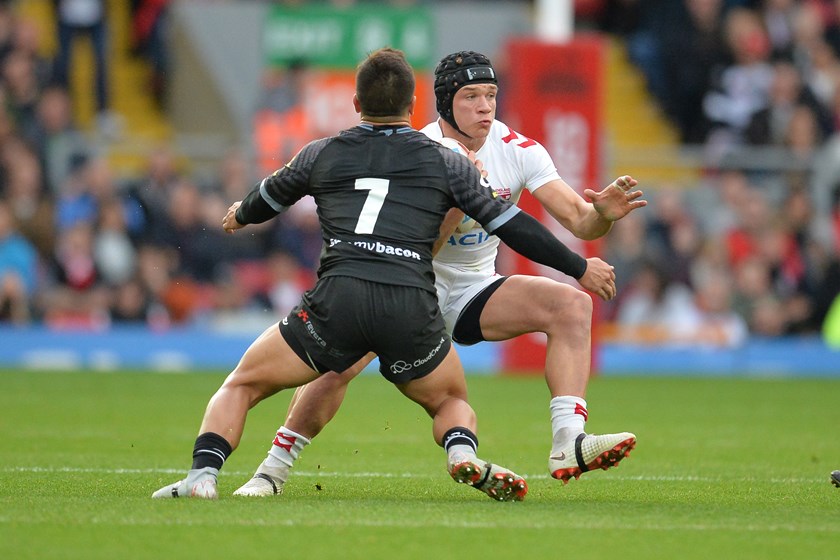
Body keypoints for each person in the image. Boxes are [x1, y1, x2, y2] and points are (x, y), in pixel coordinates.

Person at [152, 47, 621, 502]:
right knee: (349, 374)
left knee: (570, 305)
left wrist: (602, 217)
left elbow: (580, 220)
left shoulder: (517, 149)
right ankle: (274, 470)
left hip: (461, 286)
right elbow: (484, 230)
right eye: (470, 97)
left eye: (490, 95)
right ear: (435, 104)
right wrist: (461, 214)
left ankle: (569, 441)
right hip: (416, 281)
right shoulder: (432, 153)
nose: (484, 106)